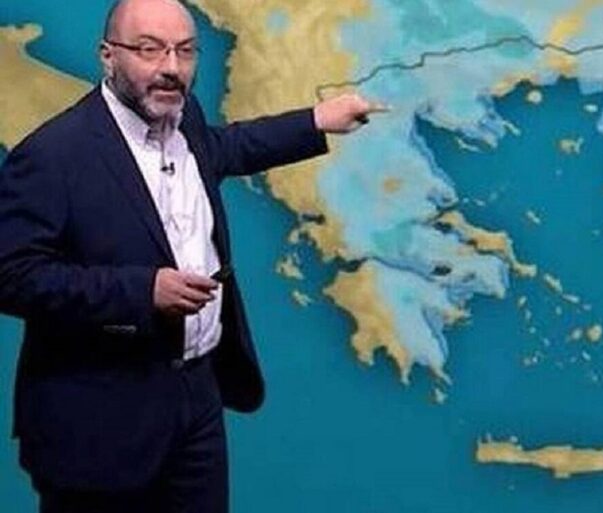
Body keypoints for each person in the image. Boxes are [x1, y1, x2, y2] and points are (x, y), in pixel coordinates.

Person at [0, 0, 385, 511]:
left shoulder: (185, 120)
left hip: (195, 404)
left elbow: (226, 148)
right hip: (99, 420)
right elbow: (12, 275)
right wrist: (143, 291)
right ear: (108, 56)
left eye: (185, 51)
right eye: (150, 50)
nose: (171, 67)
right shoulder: (52, 156)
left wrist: (317, 121)